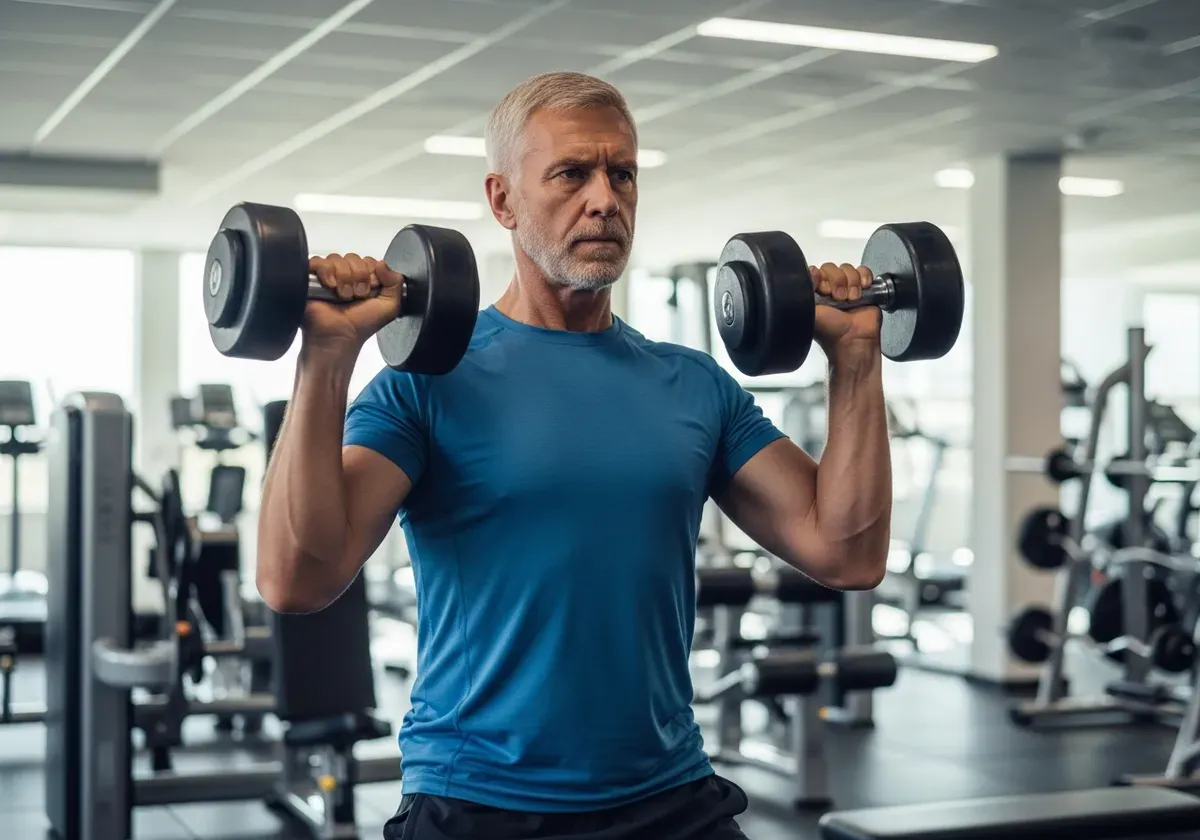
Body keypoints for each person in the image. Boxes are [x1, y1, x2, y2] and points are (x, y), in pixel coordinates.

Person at [258, 71, 892, 840]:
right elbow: (296, 579)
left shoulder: (694, 385)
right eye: (571, 174)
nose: (604, 200)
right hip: (481, 803)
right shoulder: (429, 382)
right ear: (502, 201)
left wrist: (856, 359)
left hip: (672, 797)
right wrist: (326, 357)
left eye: (622, 174)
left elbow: (848, 553)